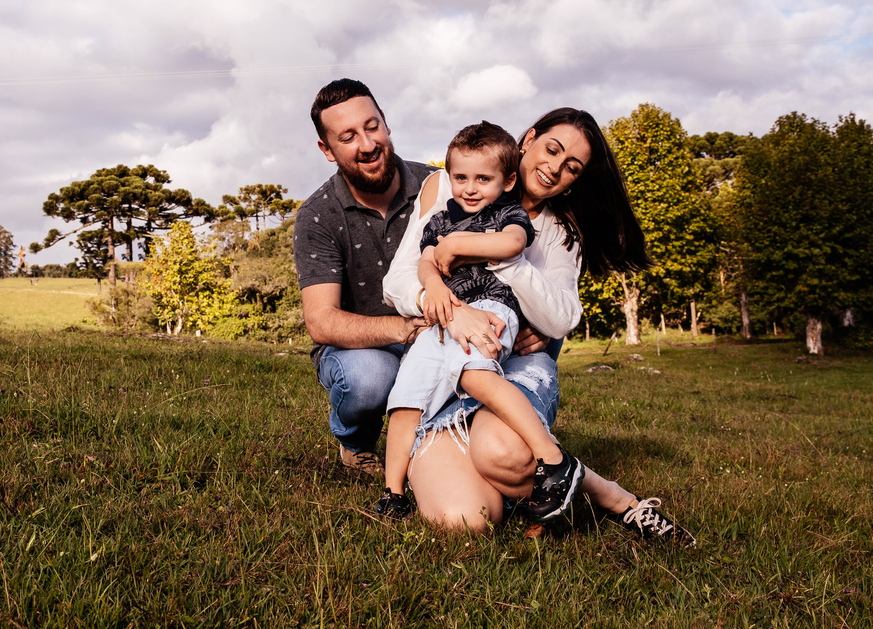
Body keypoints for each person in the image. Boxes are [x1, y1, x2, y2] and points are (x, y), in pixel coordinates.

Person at [383, 107, 693, 542]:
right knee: (465, 520)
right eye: (552, 149)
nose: (554, 168)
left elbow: (562, 317)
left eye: (572, 167)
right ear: (528, 139)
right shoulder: (450, 184)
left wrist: (492, 253)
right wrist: (455, 311)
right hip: (442, 362)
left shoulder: (561, 230)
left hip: (516, 370)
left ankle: (596, 493)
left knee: (501, 451)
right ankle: (573, 492)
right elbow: (398, 280)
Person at [376, 121, 581, 523]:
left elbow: (511, 245)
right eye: (461, 178)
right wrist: (434, 288)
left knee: (472, 371)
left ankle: (552, 459)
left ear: (504, 182)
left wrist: (458, 245)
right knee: (405, 399)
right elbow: (421, 263)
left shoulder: (510, 213)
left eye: (572, 166)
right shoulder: (441, 213)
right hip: (443, 319)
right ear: (530, 140)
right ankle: (392, 491)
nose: (470, 187)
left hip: (493, 309)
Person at [293, 79, 435, 473]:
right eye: (348, 136)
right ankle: (356, 442)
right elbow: (321, 321)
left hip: (439, 333)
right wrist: (405, 328)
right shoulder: (317, 215)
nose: (368, 144)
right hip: (361, 349)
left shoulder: (438, 186)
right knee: (369, 378)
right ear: (327, 149)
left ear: (386, 124)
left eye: (372, 127)